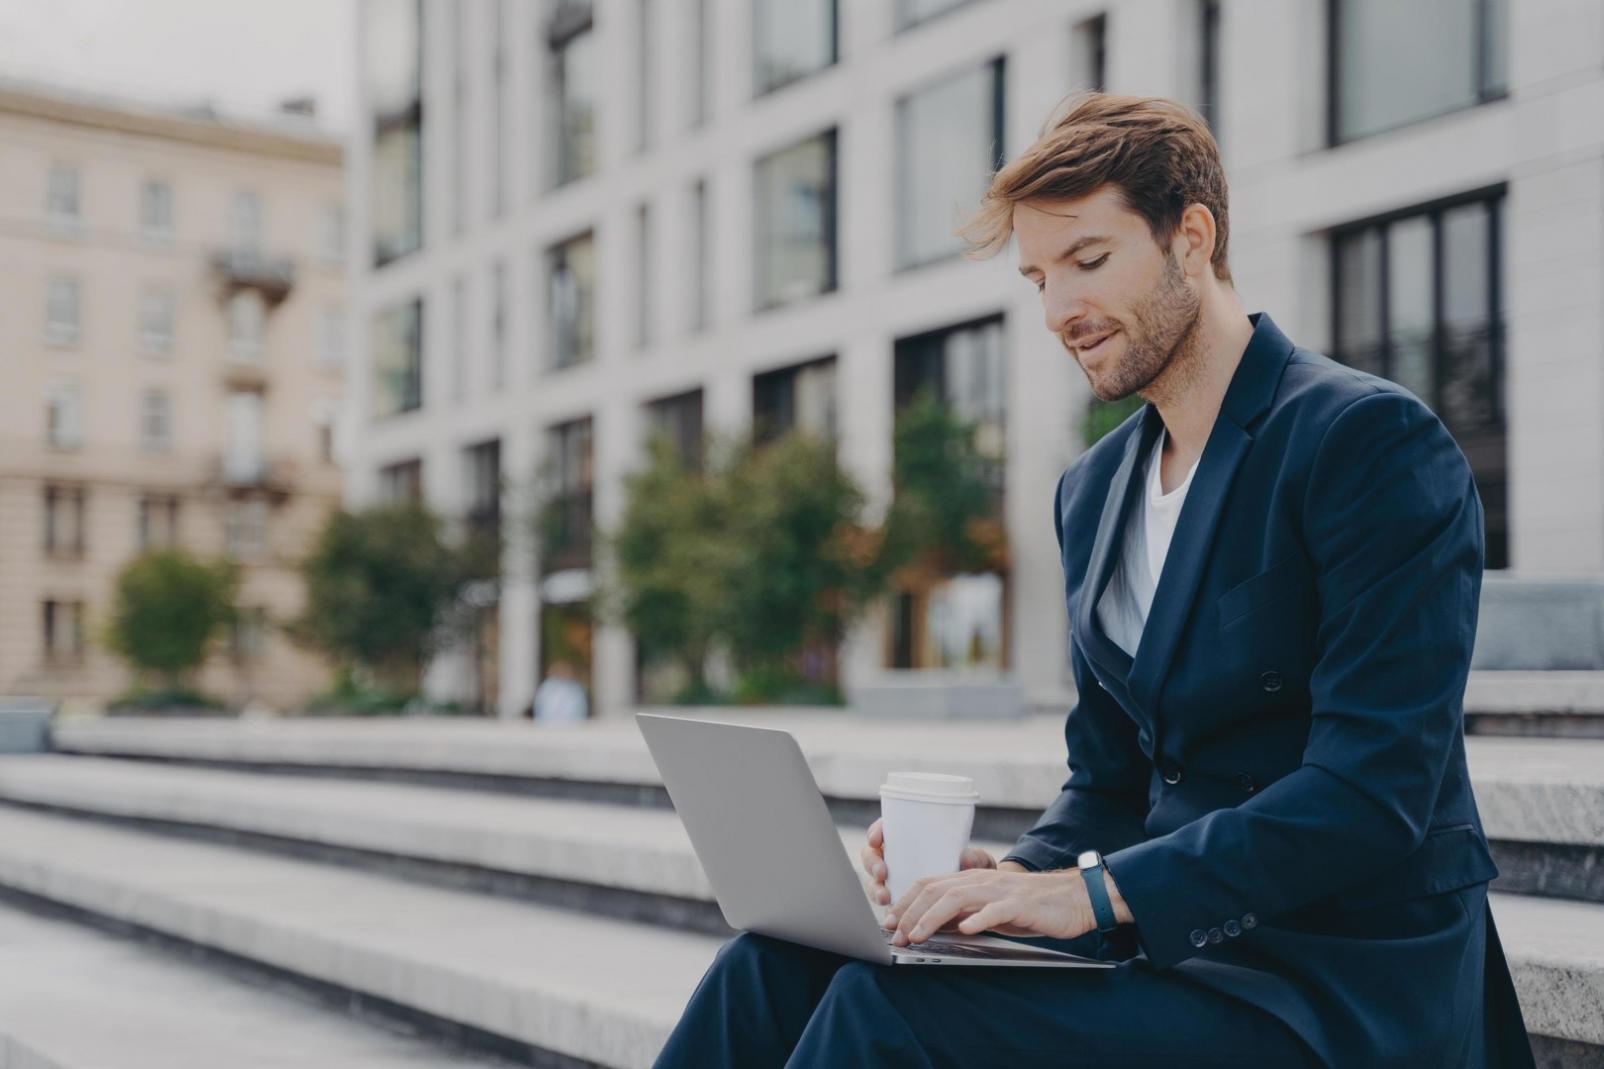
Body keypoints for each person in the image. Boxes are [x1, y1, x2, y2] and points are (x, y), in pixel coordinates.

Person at [651, 91, 1534, 1068]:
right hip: (1162, 953)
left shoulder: (1362, 443)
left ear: (1189, 238)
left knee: (882, 1011)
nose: (1058, 311)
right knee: (769, 963)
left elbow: (1372, 792)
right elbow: (1109, 778)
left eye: (1087, 261)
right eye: (1036, 278)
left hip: (1332, 984)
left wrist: (1088, 894)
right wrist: (1008, 874)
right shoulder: (1094, 487)